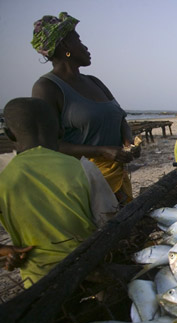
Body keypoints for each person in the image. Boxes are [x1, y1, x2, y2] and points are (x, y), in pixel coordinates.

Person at [30, 12, 140, 205]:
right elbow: (48, 145)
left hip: (117, 177)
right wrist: (100, 151)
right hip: (83, 182)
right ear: (65, 46)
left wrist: (129, 142)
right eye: (79, 40)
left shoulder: (94, 82)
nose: (86, 47)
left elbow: (120, 119)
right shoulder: (47, 87)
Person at [0, 98, 99, 288]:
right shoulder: (84, 167)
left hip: (37, 279)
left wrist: (7, 251)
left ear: (9, 134)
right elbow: (108, 218)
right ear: (61, 131)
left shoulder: (3, 173)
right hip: (90, 267)